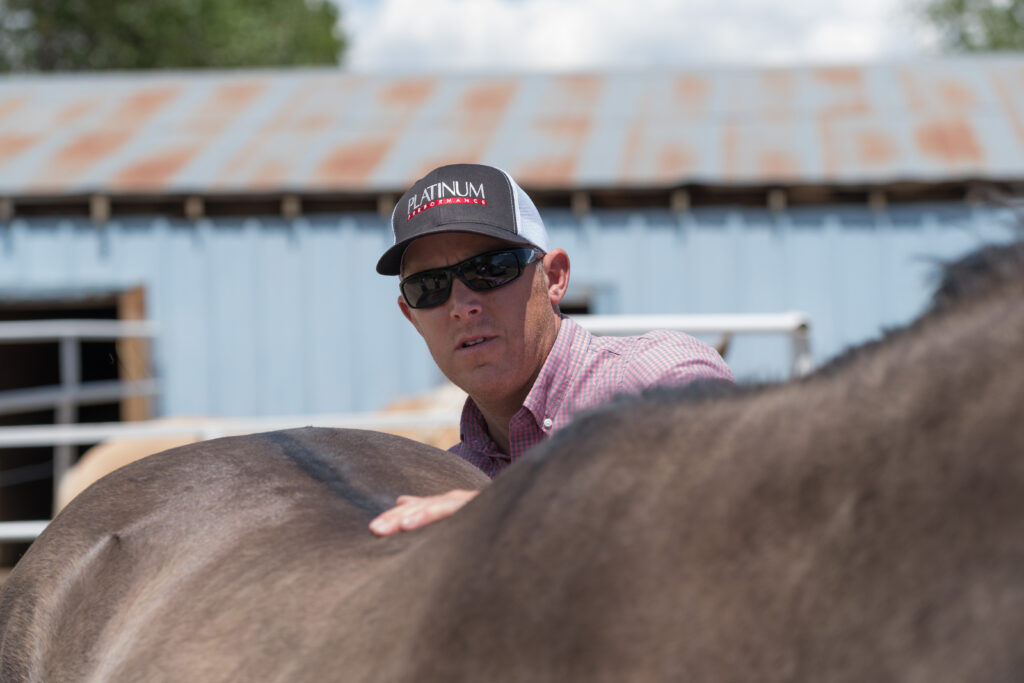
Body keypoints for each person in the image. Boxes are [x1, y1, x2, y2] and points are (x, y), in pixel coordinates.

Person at [369, 163, 734, 536]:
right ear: (411, 317)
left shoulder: (659, 377)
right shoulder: (439, 486)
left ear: (554, 278)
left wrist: (507, 509)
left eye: (490, 268)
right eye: (428, 285)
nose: (462, 305)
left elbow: (727, 493)